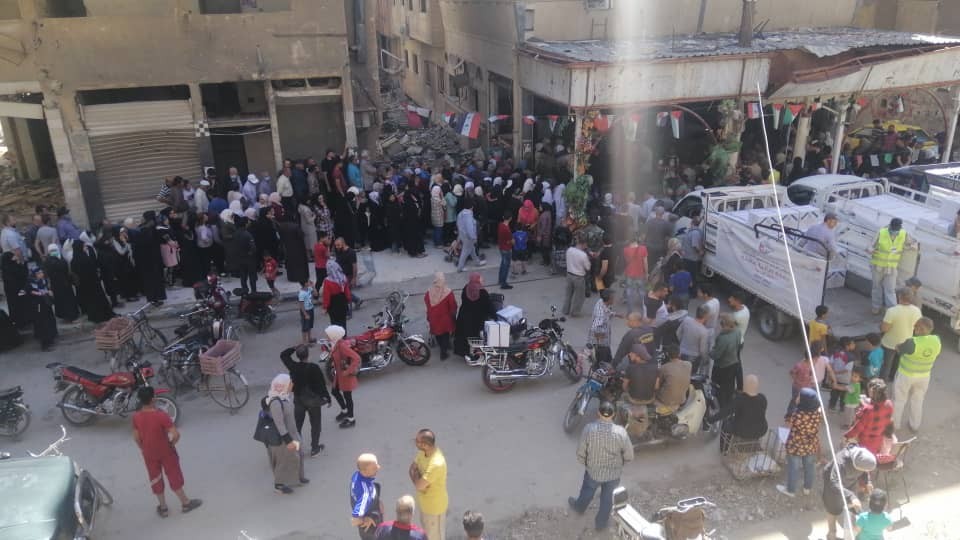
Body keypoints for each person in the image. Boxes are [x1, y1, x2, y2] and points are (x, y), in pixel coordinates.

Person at [132, 386, 202, 517]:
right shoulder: (161, 415)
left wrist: (143, 448)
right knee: (173, 474)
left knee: (155, 478)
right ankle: (185, 503)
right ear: (153, 399)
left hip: (149, 453)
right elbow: (176, 435)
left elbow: (136, 437)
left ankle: (163, 508)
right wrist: (171, 444)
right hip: (166, 451)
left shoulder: (136, 417)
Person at [568, 401, 634, 532]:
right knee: (607, 499)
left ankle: (579, 507)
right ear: (613, 414)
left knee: (587, 491)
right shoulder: (621, 432)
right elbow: (629, 456)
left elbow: (580, 452)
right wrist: (621, 465)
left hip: (593, 472)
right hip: (614, 474)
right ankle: (601, 524)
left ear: (598, 413)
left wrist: (587, 464)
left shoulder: (589, 429)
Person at [280, 345, 331, 457]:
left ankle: (297, 449)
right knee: (315, 425)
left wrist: (294, 348)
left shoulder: (293, 366)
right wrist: (327, 397)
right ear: (308, 354)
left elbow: (283, 355)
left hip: (299, 399)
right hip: (313, 401)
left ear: (297, 356)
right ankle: (315, 448)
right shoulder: (314, 368)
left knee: (297, 425)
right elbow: (321, 385)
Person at [892, 316, 940, 432]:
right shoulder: (936, 340)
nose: (914, 327)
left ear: (920, 329)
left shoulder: (912, 342)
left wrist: (899, 345)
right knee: (918, 400)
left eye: (916, 326)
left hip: (906, 375)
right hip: (924, 376)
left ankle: (894, 425)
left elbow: (898, 349)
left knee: (899, 400)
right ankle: (914, 425)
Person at [262, 374, 307, 494]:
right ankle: (279, 485)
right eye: (290, 383)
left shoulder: (285, 397)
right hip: (283, 438)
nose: (292, 384)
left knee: (299, 455)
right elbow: (279, 424)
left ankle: (299, 477)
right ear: (282, 385)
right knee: (283, 461)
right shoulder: (275, 402)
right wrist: (288, 441)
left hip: (293, 434)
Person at [822, 445, 877, 540]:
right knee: (833, 508)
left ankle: (850, 532)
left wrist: (868, 482)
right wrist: (851, 496)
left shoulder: (863, 458)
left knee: (853, 506)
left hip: (850, 481)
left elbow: (865, 471)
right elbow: (834, 482)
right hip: (833, 484)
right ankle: (831, 533)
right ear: (855, 465)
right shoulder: (841, 462)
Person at [777, 388, 822, 497]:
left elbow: (789, 426)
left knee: (794, 467)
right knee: (809, 466)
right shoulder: (818, 413)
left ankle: (791, 490)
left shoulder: (797, 414)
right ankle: (807, 488)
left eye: (799, 397)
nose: (797, 398)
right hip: (811, 445)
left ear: (804, 402)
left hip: (795, 445)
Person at [710, 374, 767, 454]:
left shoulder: (740, 399)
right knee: (754, 419)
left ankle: (724, 450)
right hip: (761, 430)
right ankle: (754, 442)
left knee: (726, 423)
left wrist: (711, 420)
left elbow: (724, 413)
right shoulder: (763, 398)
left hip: (742, 431)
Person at [409, 429, 448, 540]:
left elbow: (418, 484)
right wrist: (419, 482)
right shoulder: (423, 452)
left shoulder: (436, 464)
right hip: (425, 505)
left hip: (434, 510)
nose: (415, 442)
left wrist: (418, 480)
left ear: (425, 445)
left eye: (417, 441)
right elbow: (411, 469)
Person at [879, 288, 921, 381]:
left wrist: (880, 326)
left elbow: (884, 329)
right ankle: (893, 378)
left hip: (890, 343)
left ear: (899, 297)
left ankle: (882, 382)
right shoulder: (917, 311)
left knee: (886, 364)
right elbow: (916, 326)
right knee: (897, 362)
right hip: (905, 343)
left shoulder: (892, 311)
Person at [71, 232, 114, 323]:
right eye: (83, 246)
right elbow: (92, 270)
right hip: (93, 283)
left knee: (90, 302)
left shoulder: (73, 260)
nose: (85, 247)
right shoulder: (85, 258)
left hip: (84, 286)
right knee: (98, 300)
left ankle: (94, 316)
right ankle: (103, 315)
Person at [870, 218, 911, 313]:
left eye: (897, 230)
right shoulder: (881, 232)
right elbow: (870, 246)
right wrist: (871, 250)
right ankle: (876, 307)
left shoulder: (903, 233)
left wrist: (910, 246)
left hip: (891, 268)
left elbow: (911, 244)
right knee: (876, 287)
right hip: (878, 266)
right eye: (893, 229)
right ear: (890, 226)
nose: (894, 232)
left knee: (890, 289)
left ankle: (892, 311)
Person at [845, 377, 893, 456]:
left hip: (863, 445)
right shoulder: (889, 404)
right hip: (878, 443)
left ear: (871, 392)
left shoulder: (868, 410)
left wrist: (846, 436)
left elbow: (857, 428)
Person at [327, 325, 361, 428]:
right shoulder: (336, 343)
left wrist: (347, 371)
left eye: (328, 334)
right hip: (339, 375)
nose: (326, 336)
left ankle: (351, 419)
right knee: (335, 391)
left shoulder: (341, 346)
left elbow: (357, 358)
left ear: (334, 335)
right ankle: (345, 411)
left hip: (345, 376)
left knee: (347, 397)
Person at [710, 313, 742, 409]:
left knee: (718, 387)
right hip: (733, 363)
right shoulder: (738, 331)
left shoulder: (723, 338)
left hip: (722, 367)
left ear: (726, 325)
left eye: (722, 324)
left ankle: (720, 406)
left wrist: (710, 352)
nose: (721, 325)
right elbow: (739, 346)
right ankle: (729, 402)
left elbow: (716, 355)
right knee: (730, 385)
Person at [43, 244, 79, 322]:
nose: (54, 252)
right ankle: (70, 316)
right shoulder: (53, 260)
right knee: (67, 301)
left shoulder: (49, 260)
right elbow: (62, 267)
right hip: (62, 283)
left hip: (59, 284)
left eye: (54, 250)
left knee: (62, 301)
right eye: (52, 251)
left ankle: (65, 316)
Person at [425, 272, 457, 360]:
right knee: (445, 335)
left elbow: (427, 304)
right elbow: (453, 305)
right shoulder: (448, 292)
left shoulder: (428, 292)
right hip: (445, 319)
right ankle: (443, 353)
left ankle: (443, 347)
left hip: (433, 318)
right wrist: (454, 314)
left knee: (438, 334)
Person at [352, 453, 384, 540]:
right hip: (371, 530)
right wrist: (366, 520)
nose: (378, 467)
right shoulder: (365, 494)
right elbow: (355, 520)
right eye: (374, 468)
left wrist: (377, 501)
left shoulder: (357, 475)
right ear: (364, 471)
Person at [28, 268, 57, 351]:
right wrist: (43, 292)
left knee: (49, 320)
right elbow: (30, 292)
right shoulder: (31, 283)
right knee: (42, 323)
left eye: (42, 272)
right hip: (38, 305)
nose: (42, 274)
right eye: (39, 273)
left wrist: (49, 291)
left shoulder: (43, 281)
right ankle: (44, 344)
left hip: (46, 304)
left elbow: (47, 288)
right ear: (35, 274)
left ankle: (50, 338)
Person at [656, 346, 692, 412]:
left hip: (665, 401)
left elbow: (657, 386)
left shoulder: (664, 368)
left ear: (667, 354)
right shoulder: (689, 364)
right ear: (679, 354)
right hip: (681, 400)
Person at [678, 303, 710, 374]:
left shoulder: (686, 320)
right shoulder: (704, 331)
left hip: (681, 352)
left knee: (680, 373)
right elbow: (702, 350)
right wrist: (705, 359)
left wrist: (682, 343)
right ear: (706, 316)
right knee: (690, 375)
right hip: (693, 358)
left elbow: (678, 333)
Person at [563, 236, 591, 317]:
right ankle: (575, 312)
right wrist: (589, 259)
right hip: (579, 277)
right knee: (579, 296)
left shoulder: (569, 250)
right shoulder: (583, 255)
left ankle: (565, 310)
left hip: (569, 275)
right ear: (584, 244)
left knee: (568, 294)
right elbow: (588, 267)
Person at [589, 289, 618, 367]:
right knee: (603, 364)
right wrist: (602, 337)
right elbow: (595, 327)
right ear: (609, 300)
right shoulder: (601, 314)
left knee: (608, 361)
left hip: (604, 344)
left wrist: (615, 314)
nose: (615, 299)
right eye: (613, 298)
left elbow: (607, 311)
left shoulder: (601, 301)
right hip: (601, 345)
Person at [727, 290, 750, 388]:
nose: (729, 299)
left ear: (737, 301)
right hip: (740, 341)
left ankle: (738, 386)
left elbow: (728, 326)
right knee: (736, 363)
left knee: (734, 365)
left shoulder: (737, 316)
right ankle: (739, 386)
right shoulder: (745, 308)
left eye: (731, 298)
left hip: (735, 343)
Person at [622, 232, 648, 312]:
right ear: (637, 239)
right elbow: (645, 263)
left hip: (629, 273)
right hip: (640, 273)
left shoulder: (625, 250)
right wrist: (646, 273)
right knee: (641, 292)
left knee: (629, 293)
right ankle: (644, 311)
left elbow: (626, 261)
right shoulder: (643, 248)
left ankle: (630, 312)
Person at [323, 260, 352, 332]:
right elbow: (347, 291)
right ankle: (344, 335)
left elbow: (326, 295)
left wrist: (325, 307)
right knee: (343, 321)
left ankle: (337, 336)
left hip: (333, 304)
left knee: (334, 322)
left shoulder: (327, 281)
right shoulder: (343, 277)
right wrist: (348, 299)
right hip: (342, 301)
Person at [829, 337, 856, 411]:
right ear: (847, 346)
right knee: (844, 394)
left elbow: (830, 363)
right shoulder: (851, 357)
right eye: (852, 344)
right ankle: (842, 407)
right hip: (845, 379)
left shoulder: (835, 353)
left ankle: (832, 406)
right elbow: (847, 370)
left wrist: (833, 372)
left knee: (834, 392)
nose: (854, 345)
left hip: (835, 377)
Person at [645, 205, 672, 272]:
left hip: (649, 246)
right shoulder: (666, 224)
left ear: (655, 212)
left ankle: (648, 275)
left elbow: (644, 234)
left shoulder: (649, 222)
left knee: (649, 262)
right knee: (657, 264)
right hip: (660, 247)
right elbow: (668, 237)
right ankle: (654, 276)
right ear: (663, 213)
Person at [457, 200, 482, 272]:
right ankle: (460, 268)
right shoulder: (468, 215)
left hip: (462, 235)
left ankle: (477, 262)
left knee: (472, 249)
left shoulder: (461, 213)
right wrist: (474, 237)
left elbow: (458, 224)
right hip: (468, 237)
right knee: (465, 252)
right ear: (472, 207)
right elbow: (470, 228)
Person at [680, 213, 704, 284]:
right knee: (691, 276)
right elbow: (695, 245)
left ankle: (689, 287)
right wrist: (700, 252)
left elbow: (694, 245)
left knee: (689, 276)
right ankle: (690, 288)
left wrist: (700, 251)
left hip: (688, 258)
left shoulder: (692, 232)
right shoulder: (695, 232)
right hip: (691, 258)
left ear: (692, 222)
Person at [496, 211, 514, 289]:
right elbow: (512, 241)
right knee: (506, 267)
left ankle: (500, 280)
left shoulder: (500, 225)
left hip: (501, 247)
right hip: (507, 249)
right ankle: (503, 283)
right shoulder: (507, 230)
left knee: (503, 265)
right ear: (510, 218)